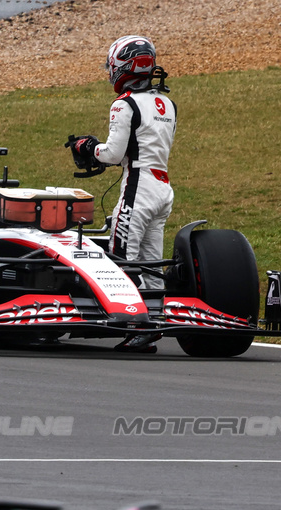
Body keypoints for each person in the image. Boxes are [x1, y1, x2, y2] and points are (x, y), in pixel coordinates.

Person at [71, 35, 176, 353]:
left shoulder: (124, 104)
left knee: (121, 254)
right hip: (163, 188)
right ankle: (152, 322)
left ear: (123, 66)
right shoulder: (167, 103)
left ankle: (129, 321)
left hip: (139, 187)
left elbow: (114, 154)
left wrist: (89, 147)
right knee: (151, 260)